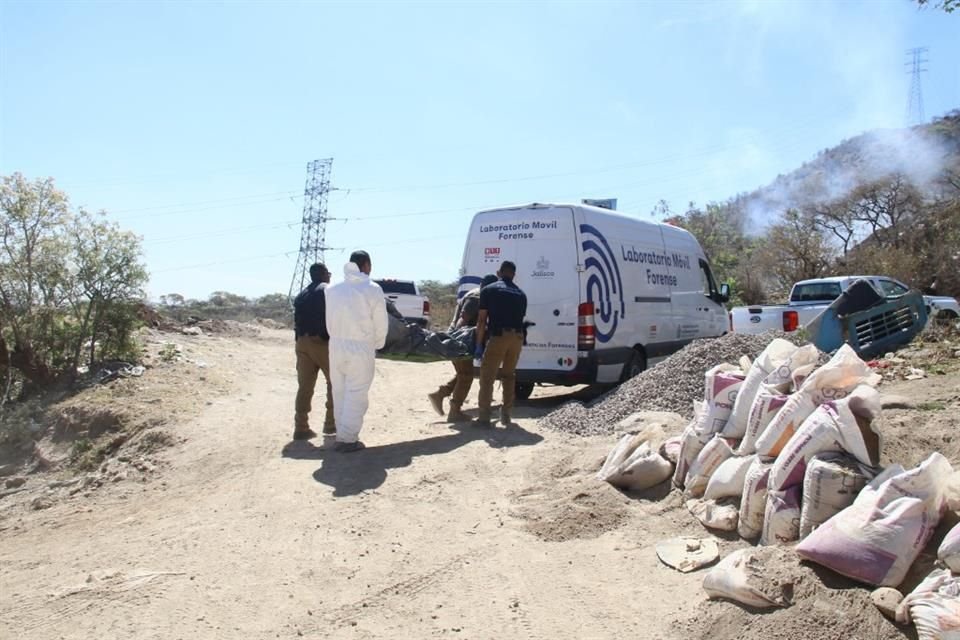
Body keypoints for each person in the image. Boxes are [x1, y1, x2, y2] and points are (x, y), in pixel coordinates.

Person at [324, 250, 389, 452]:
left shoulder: (332, 288)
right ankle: (348, 439)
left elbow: (328, 319)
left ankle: (342, 435)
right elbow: (380, 321)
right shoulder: (372, 288)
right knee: (357, 392)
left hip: (335, 345)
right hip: (360, 346)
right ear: (366, 265)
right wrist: (378, 343)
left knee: (339, 391)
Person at [426, 274, 497, 422]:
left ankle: (440, 394)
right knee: (466, 376)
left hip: (461, 339)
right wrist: (458, 341)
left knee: (463, 373)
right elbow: (462, 319)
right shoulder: (476, 298)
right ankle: (455, 411)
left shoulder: (480, 295)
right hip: (460, 341)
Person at [473, 261, 527, 427]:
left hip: (498, 337)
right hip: (517, 338)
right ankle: (506, 415)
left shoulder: (489, 290)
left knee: (487, 377)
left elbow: (482, 320)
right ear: (514, 274)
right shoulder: (521, 294)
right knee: (509, 376)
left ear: (499, 272)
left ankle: (484, 418)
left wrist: (478, 344)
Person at [292, 262, 334, 440]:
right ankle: (331, 424)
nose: (330, 275)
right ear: (323, 274)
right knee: (335, 383)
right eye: (328, 273)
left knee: (305, 387)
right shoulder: (328, 290)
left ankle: (301, 427)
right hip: (321, 342)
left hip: (302, 342)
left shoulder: (301, 294)